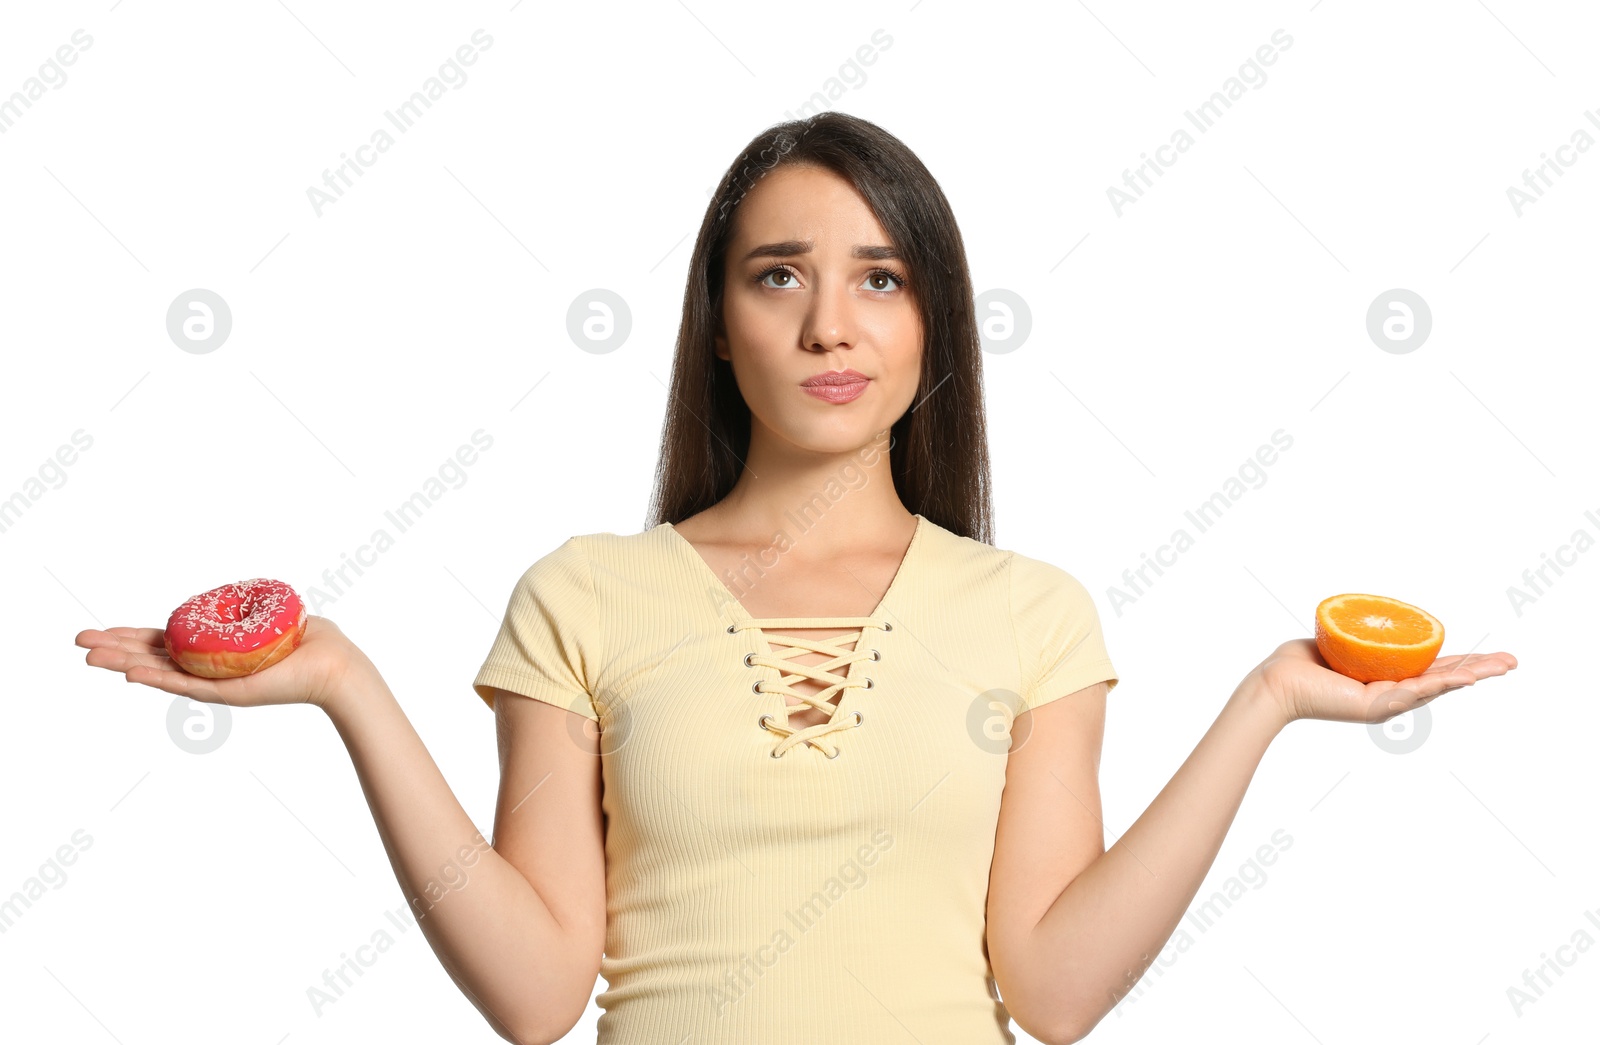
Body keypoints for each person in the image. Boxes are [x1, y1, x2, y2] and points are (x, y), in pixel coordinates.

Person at [75, 112, 1517, 1045]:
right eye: (779, 275)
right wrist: (346, 684)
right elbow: (532, 992)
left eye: (882, 277)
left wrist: (1266, 701)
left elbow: (1056, 990)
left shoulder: (1033, 617)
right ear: (716, 323)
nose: (832, 321)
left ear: (935, 320)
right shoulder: (581, 598)